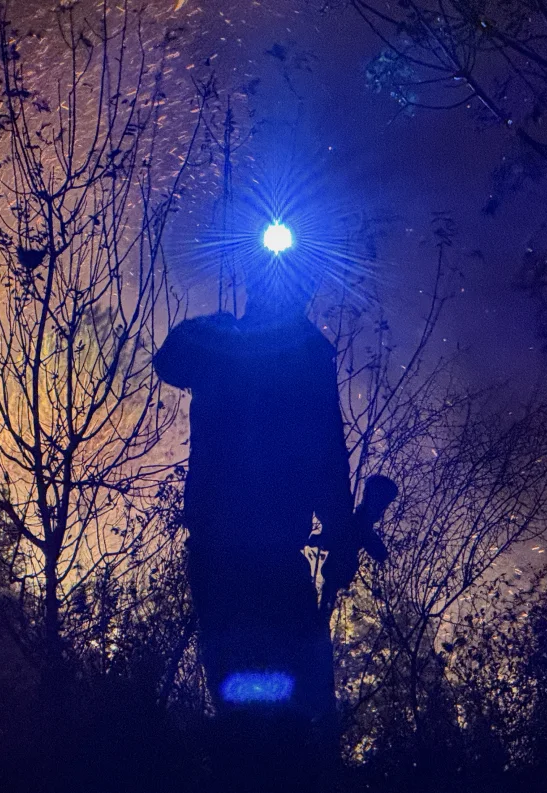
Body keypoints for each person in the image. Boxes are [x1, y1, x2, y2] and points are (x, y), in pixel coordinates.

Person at [153, 284, 356, 791]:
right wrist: (340, 535)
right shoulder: (236, 342)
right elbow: (170, 362)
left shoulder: (301, 353)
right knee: (261, 702)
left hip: (248, 554)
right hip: (239, 553)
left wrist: (340, 534)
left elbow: (327, 450)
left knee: (275, 704)